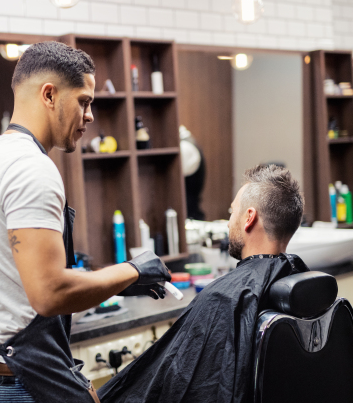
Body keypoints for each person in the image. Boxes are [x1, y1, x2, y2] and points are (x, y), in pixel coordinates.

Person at [0, 41, 172, 403]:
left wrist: (110, 283)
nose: (90, 115)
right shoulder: (32, 170)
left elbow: (15, 279)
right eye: (84, 101)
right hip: (10, 384)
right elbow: (48, 293)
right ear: (49, 94)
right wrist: (133, 270)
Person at [98, 164, 309, 403]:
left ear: (249, 218)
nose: (229, 223)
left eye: (232, 213)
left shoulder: (224, 298)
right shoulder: (299, 280)